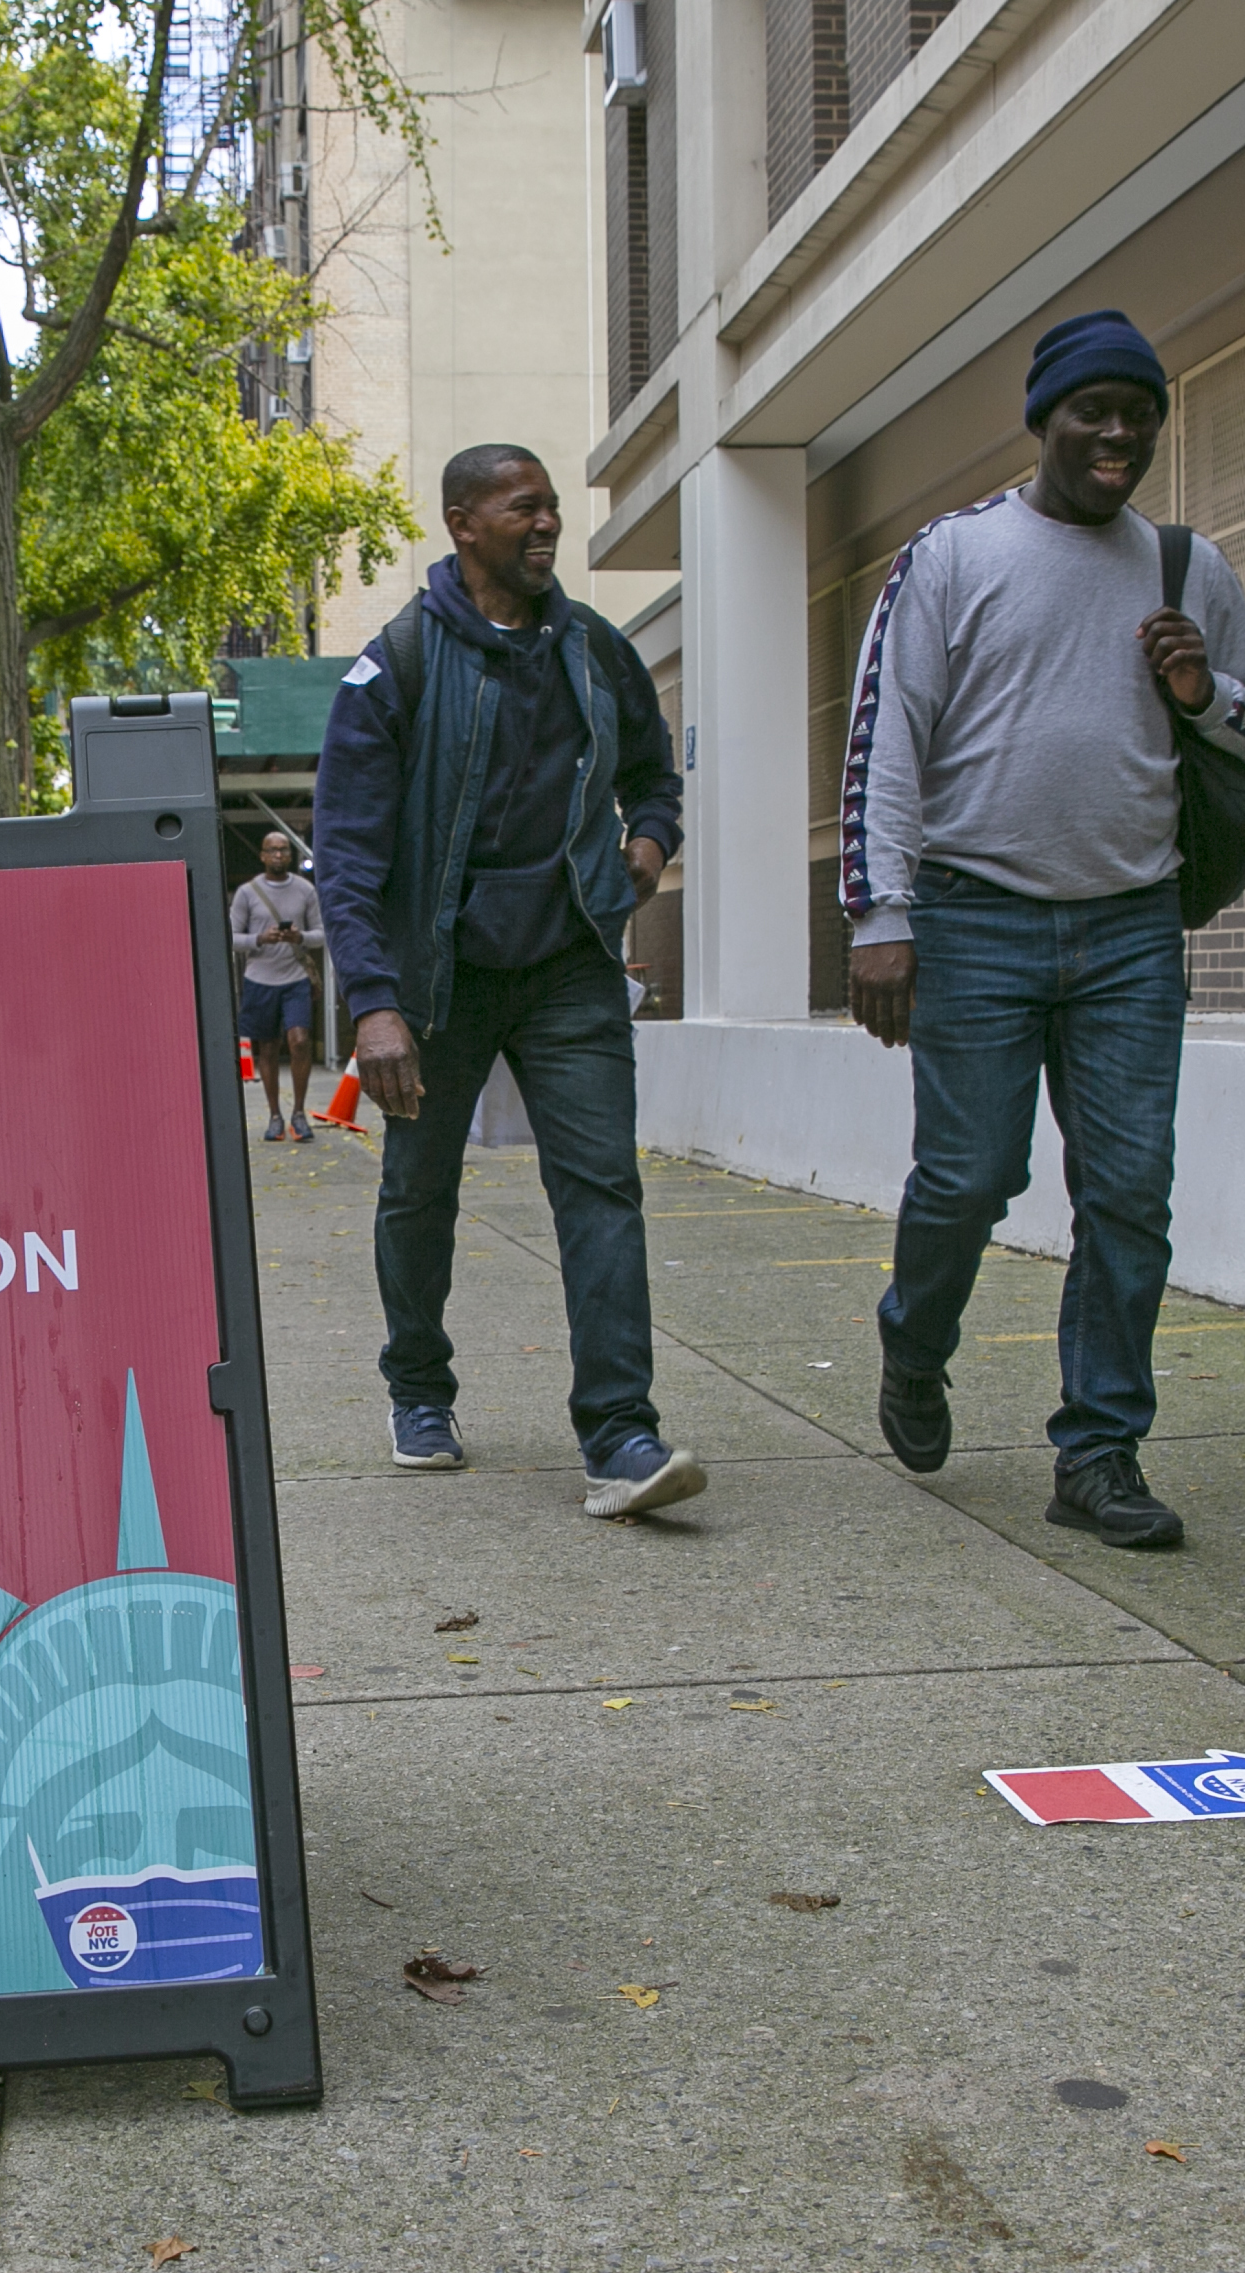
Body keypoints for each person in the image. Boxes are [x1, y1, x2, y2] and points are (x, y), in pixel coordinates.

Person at [837, 309, 1245, 1550]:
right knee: (969, 1176)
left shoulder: (1183, 565)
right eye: (1093, 410)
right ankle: (915, 1339)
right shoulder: (953, 554)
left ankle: (1098, 1451)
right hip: (975, 918)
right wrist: (880, 914)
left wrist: (1201, 694)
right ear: (1043, 420)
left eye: (1138, 413)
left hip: (1130, 929)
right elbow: (886, 741)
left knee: (1128, 1192)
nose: (1117, 433)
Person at [315, 443, 704, 1520]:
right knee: (419, 1190)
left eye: (550, 509)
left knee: (601, 1187)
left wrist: (650, 842)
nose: (545, 525)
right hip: (438, 977)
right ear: (462, 523)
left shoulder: (590, 648)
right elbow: (345, 855)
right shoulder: (392, 665)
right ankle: (417, 1386)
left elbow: (650, 769)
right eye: (520, 507)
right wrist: (374, 1001)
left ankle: (620, 1433)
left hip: (569, 961)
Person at [230, 830, 325, 1141]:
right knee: (267, 1048)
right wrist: (260, 938)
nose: (279, 855)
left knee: (299, 1041)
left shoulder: (305, 890)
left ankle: (299, 1112)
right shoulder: (247, 892)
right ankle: (275, 1116)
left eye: (284, 850)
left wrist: (300, 938)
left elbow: (323, 933)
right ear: (262, 855)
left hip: (295, 977)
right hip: (260, 979)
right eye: (272, 850)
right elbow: (229, 938)